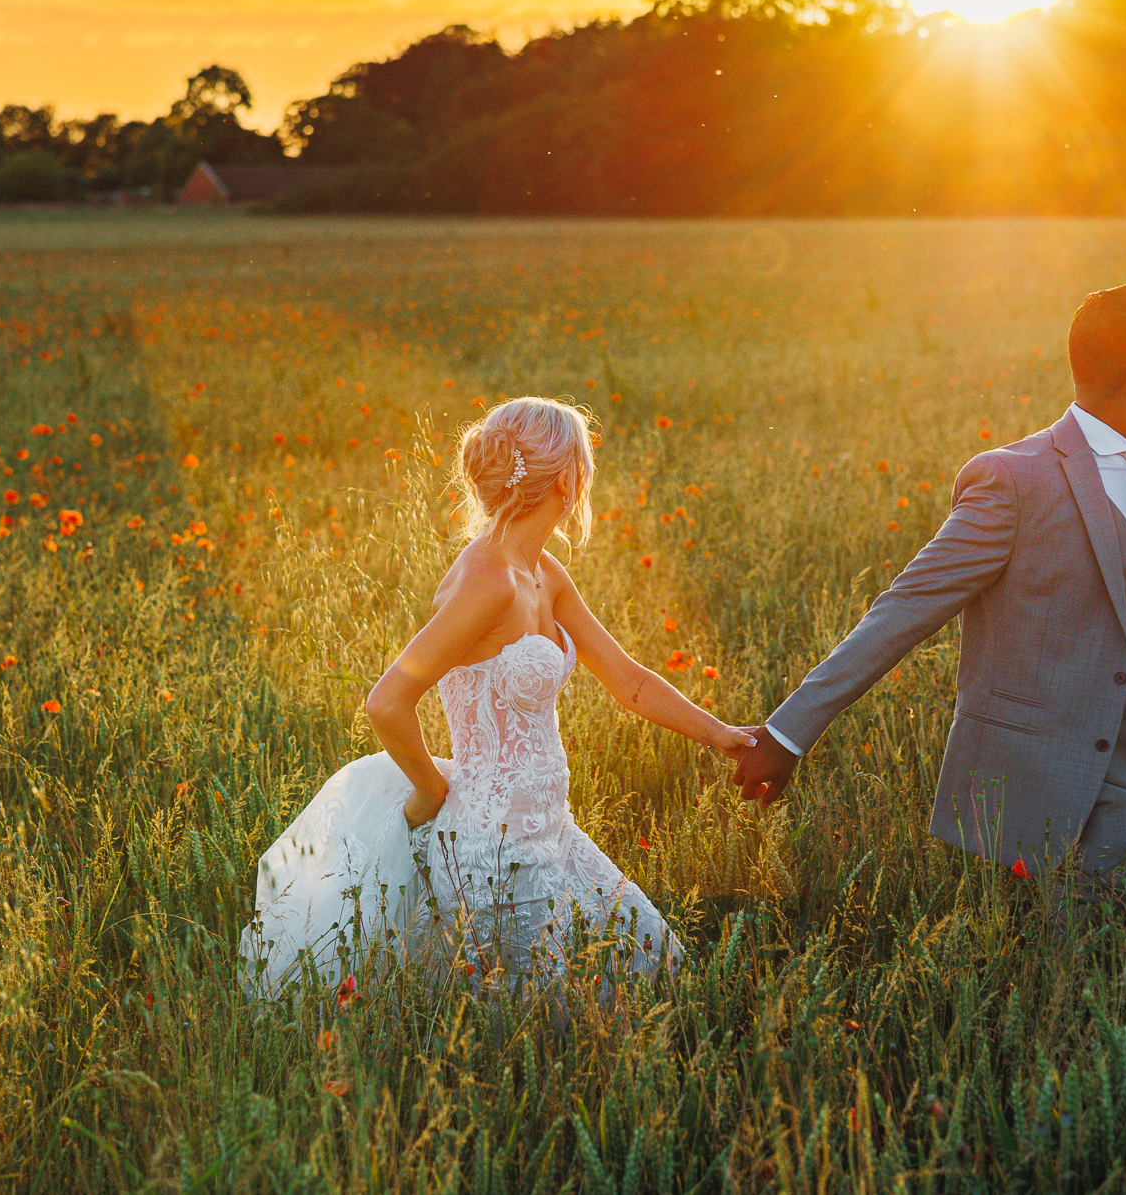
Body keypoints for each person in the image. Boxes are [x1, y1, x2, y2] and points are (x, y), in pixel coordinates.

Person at [729, 286, 1126, 894]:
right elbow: (904, 608)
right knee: (1089, 978)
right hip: (1069, 795)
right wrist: (790, 732)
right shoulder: (1013, 481)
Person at [239, 396, 753, 996]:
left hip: (551, 829)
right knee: (547, 1018)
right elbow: (387, 701)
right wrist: (433, 789)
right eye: (584, 465)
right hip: (492, 847)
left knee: (652, 961)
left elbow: (630, 681)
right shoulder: (488, 580)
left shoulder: (544, 572)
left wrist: (724, 735)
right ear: (566, 478)